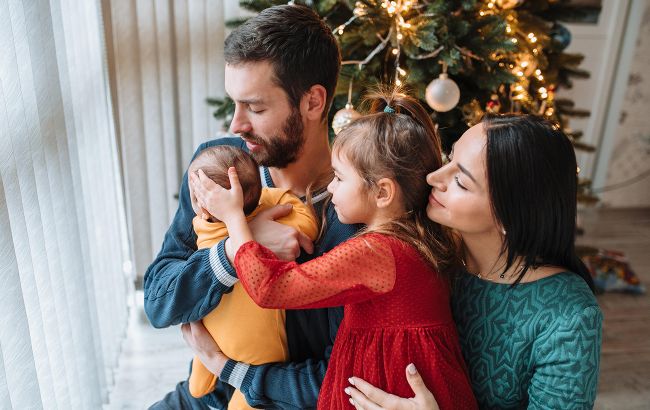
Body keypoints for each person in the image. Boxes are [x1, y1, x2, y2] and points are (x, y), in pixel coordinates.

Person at [189, 90, 478, 410]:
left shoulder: (374, 252)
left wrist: (233, 220)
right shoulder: (417, 241)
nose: (330, 188)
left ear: (382, 192)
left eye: (340, 178)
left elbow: (272, 289)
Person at [144, 4, 359, 409]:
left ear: (314, 102)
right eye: (234, 103)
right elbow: (158, 300)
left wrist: (226, 367)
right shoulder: (218, 166)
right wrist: (233, 251)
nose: (235, 126)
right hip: (201, 398)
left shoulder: (351, 214)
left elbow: (336, 382)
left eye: (256, 108)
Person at [344, 114, 603, 409]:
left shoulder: (570, 318)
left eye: (460, 181)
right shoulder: (426, 253)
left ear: (510, 216)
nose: (433, 178)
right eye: (449, 157)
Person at [184, 145, 318, 409]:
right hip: (258, 348)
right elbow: (307, 225)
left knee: (202, 372)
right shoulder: (274, 214)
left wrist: (237, 223)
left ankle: (203, 379)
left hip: (215, 330)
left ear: (203, 206)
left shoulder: (202, 225)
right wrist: (252, 223)